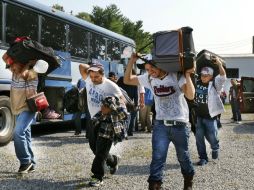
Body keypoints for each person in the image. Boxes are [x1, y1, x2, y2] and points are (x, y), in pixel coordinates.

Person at [124, 53, 196, 190]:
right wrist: (132, 61)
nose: (150, 73)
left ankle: (188, 180)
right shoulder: (149, 78)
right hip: (160, 124)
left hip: (180, 124)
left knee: (183, 156)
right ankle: (155, 185)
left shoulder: (175, 76)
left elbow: (190, 95)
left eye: (152, 69)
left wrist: (187, 75)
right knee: (158, 157)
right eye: (147, 70)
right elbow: (128, 80)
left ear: (161, 65)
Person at [78, 62, 126, 187]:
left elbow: (123, 104)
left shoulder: (111, 86)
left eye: (97, 77)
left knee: (101, 151)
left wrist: (110, 109)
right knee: (94, 147)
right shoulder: (89, 79)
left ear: (102, 74)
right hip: (94, 119)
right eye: (92, 77)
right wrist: (92, 68)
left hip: (107, 121)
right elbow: (81, 66)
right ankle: (113, 160)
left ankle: (97, 176)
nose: (93, 80)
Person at [3, 54, 38, 174]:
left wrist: (27, 65)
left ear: (22, 63)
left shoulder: (32, 73)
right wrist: (13, 50)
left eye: (13, 65)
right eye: (10, 66)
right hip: (16, 108)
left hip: (28, 108)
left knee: (18, 132)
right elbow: (4, 57)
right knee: (26, 136)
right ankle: (32, 163)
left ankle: (25, 162)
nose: (11, 68)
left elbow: (26, 76)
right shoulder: (14, 72)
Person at [195, 58, 226, 166]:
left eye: (206, 75)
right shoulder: (196, 82)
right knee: (199, 138)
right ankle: (203, 157)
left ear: (211, 76)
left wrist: (219, 64)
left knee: (212, 135)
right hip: (198, 116)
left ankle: (215, 147)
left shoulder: (214, 85)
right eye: (202, 74)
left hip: (210, 116)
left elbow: (222, 77)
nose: (203, 77)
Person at [117, 69, 139, 136]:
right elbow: (136, 93)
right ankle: (129, 132)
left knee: (124, 117)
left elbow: (116, 89)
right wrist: (136, 103)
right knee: (130, 118)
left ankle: (125, 131)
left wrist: (136, 103)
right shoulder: (133, 80)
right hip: (128, 102)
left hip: (124, 102)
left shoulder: (121, 79)